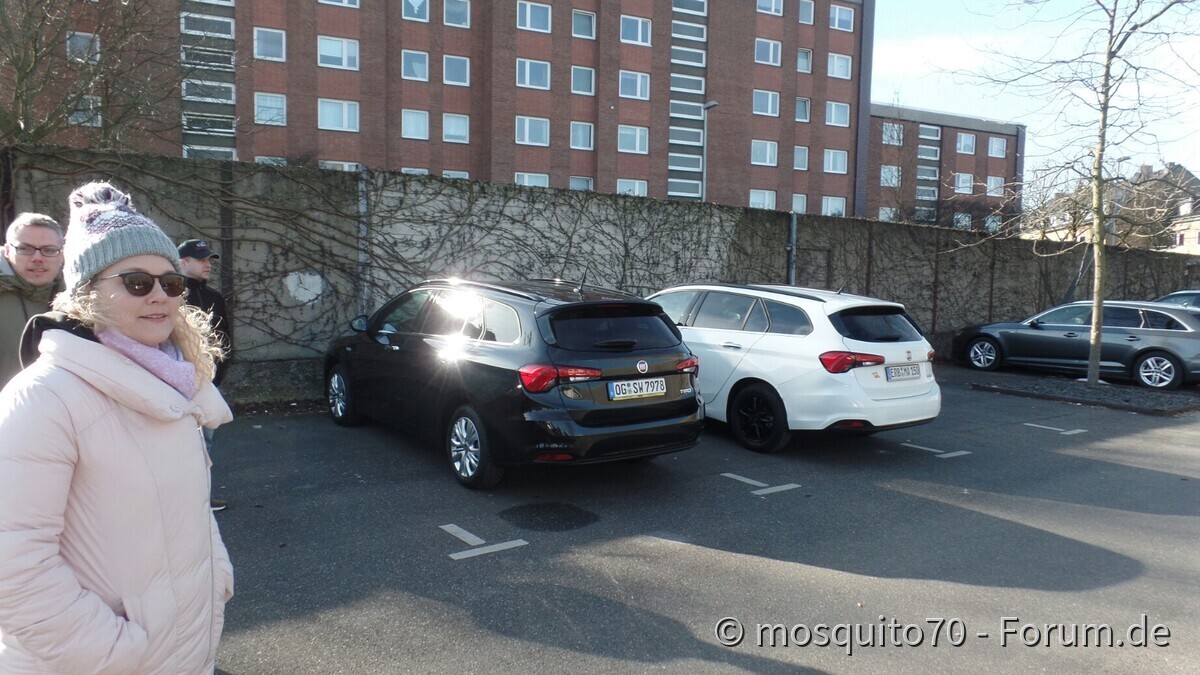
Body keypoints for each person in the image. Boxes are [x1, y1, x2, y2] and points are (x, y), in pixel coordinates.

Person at [0, 181, 234, 673]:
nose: (160, 296)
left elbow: (189, 512)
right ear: (87, 294)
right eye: (136, 282)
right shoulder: (43, 398)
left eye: (171, 283)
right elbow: (14, 570)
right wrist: (119, 654)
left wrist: (217, 575)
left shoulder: (175, 383)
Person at [178, 238, 232, 512]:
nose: (207, 264)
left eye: (209, 260)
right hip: (176, 385)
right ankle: (179, 501)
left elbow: (225, 340)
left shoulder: (214, 298)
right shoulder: (171, 297)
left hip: (208, 384)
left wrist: (216, 377)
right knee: (175, 444)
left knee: (205, 444)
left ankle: (202, 500)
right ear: (183, 263)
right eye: (201, 260)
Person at [0, 213, 64, 387]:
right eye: (25, 248)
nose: (37, 258)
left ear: (62, 255)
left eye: (49, 250)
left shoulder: (81, 300)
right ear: (7, 251)